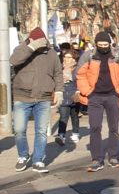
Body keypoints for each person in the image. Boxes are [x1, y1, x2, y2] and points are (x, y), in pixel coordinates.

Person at [77, 31, 119, 172]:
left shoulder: (118, 56)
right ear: (96, 44)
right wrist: (88, 92)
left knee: (113, 128)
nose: (103, 47)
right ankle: (97, 159)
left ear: (110, 43)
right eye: (100, 44)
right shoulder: (88, 56)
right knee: (95, 128)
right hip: (94, 97)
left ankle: (113, 156)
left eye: (105, 44)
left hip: (112, 96)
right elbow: (80, 74)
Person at [10, 27, 62, 172]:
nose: (41, 45)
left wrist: (59, 92)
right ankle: (23, 155)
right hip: (22, 97)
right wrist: (31, 48)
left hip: (43, 98)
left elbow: (58, 73)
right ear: (31, 40)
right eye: (37, 42)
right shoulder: (21, 49)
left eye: (43, 42)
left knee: (41, 131)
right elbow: (13, 61)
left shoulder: (51, 53)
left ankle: (38, 160)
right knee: (19, 129)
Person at [55, 48, 82, 146]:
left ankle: (75, 133)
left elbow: (81, 80)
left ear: (74, 58)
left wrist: (79, 91)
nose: (66, 59)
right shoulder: (60, 68)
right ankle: (61, 136)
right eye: (65, 57)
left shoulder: (78, 68)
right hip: (63, 94)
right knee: (63, 116)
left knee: (74, 115)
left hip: (75, 95)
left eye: (69, 57)